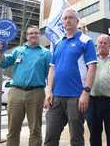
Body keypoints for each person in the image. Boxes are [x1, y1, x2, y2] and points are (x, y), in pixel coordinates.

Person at [44, 8, 97, 146]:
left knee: (76, 138)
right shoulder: (58, 43)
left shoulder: (86, 41)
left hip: (76, 97)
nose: (67, 20)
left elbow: (92, 67)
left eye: (70, 18)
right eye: (65, 18)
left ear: (77, 21)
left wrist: (86, 92)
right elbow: (52, 68)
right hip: (56, 97)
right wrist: (49, 91)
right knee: (50, 136)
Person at [0, 25, 52, 146]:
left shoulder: (46, 53)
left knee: (35, 129)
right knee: (13, 129)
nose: (34, 35)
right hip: (16, 92)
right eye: (31, 33)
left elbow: (51, 75)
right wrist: (0, 52)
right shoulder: (18, 51)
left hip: (36, 93)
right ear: (26, 36)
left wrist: (49, 93)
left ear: (39, 35)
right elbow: (3, 63)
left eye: (36, 33)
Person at [86, 34, 110, 146]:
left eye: (105, 43)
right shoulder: (91, 60)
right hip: (93, 102)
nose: (102, 45)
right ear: (97, 45)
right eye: (100, 43)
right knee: (94, 134)